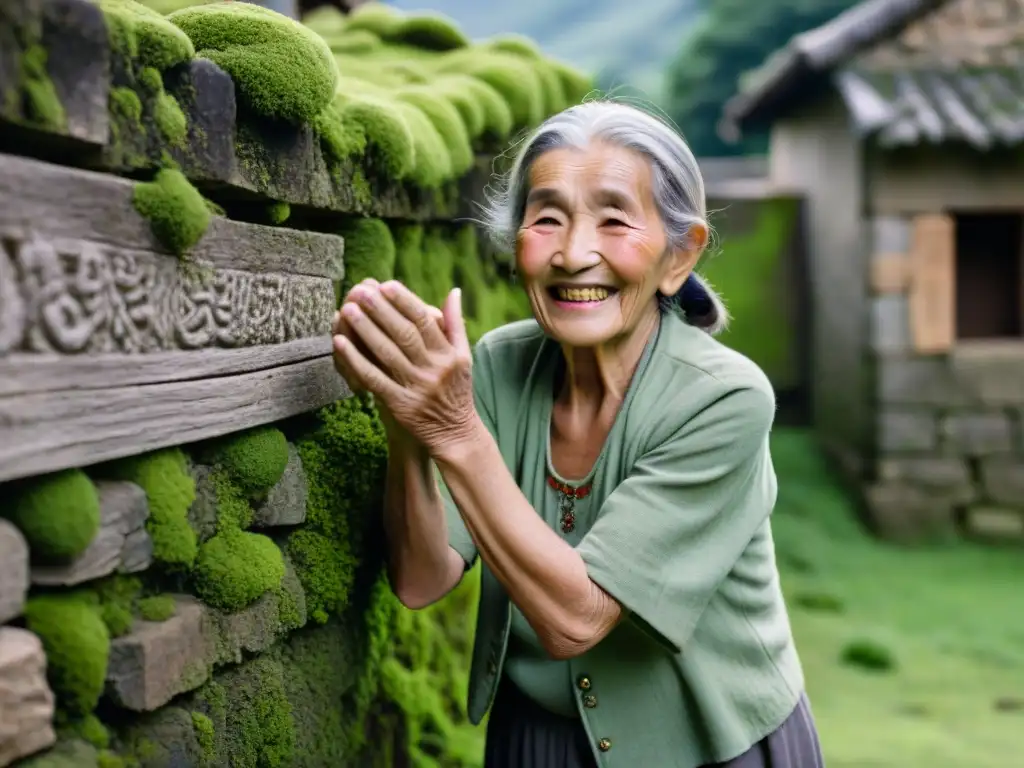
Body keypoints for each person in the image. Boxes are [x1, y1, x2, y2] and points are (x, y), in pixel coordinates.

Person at [330, 100, 824, 768]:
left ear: (680, 254)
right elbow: (420, 580)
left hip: (709, 748)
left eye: (614, 219)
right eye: (547, 218)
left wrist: (451, 428)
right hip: (536, 742)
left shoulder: (724, 399)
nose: (572, 253)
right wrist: (406, 425)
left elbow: (577, 619)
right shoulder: (500, 367)